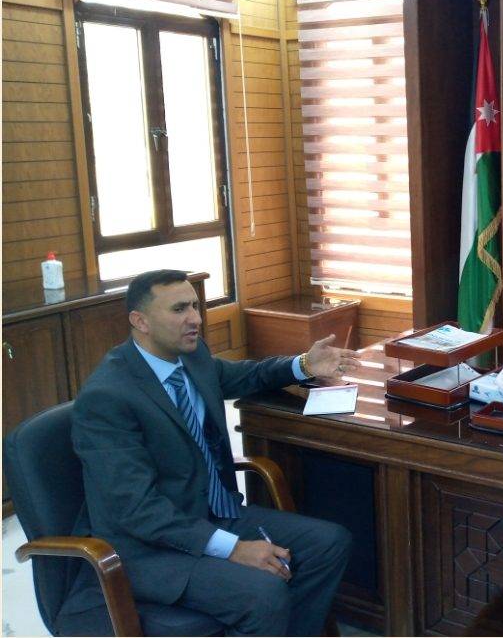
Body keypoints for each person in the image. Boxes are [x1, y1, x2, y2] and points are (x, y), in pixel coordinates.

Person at [60, 269, 358, 635]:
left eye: (195, 306)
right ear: (140, 321)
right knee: (263, 593)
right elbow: (136, 510)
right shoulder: (107, 397)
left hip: (211, 513)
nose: (196, 319)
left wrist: (304, 365)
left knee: (329, 543)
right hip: (150, 548)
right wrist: (233, 548)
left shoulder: (191, 355)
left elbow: (244, 376)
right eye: (179, 309)